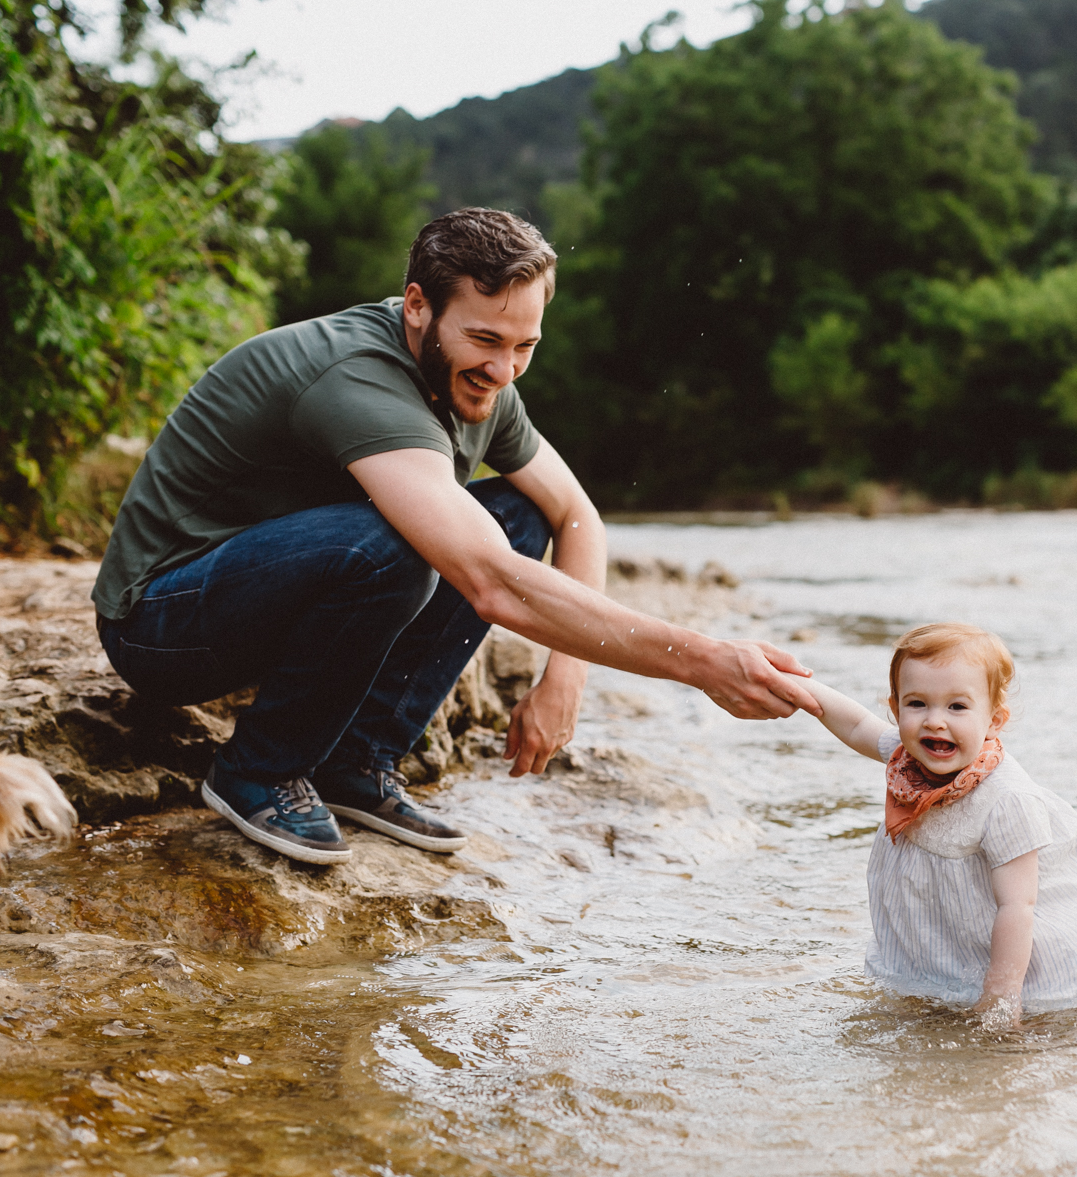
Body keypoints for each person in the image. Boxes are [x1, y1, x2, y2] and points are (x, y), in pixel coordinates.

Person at [91, 207, 820, 865]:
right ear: (417, 307)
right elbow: (489, 581)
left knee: (518, 515)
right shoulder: (361, 375)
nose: (503, 371)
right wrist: (702, 661)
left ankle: (354, 761)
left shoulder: (480, 382)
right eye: (484, 339)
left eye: (524, 345)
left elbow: (575, 517)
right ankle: (257, 769)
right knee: (394, 549)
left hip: (273, 598)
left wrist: (562, 681)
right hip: (162, 620)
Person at [803, 623, 1077, 1021]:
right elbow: (857, 724)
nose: (934, 721)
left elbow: (1018, 906)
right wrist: (799, 688)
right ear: (896, 710)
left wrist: (1000, 1000)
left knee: (1019, 1033)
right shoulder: (905, 758)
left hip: (1017, 960)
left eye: (957, 707)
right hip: (947, 942)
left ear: (994, 720)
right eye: (917, 704)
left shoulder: (1007, 800)